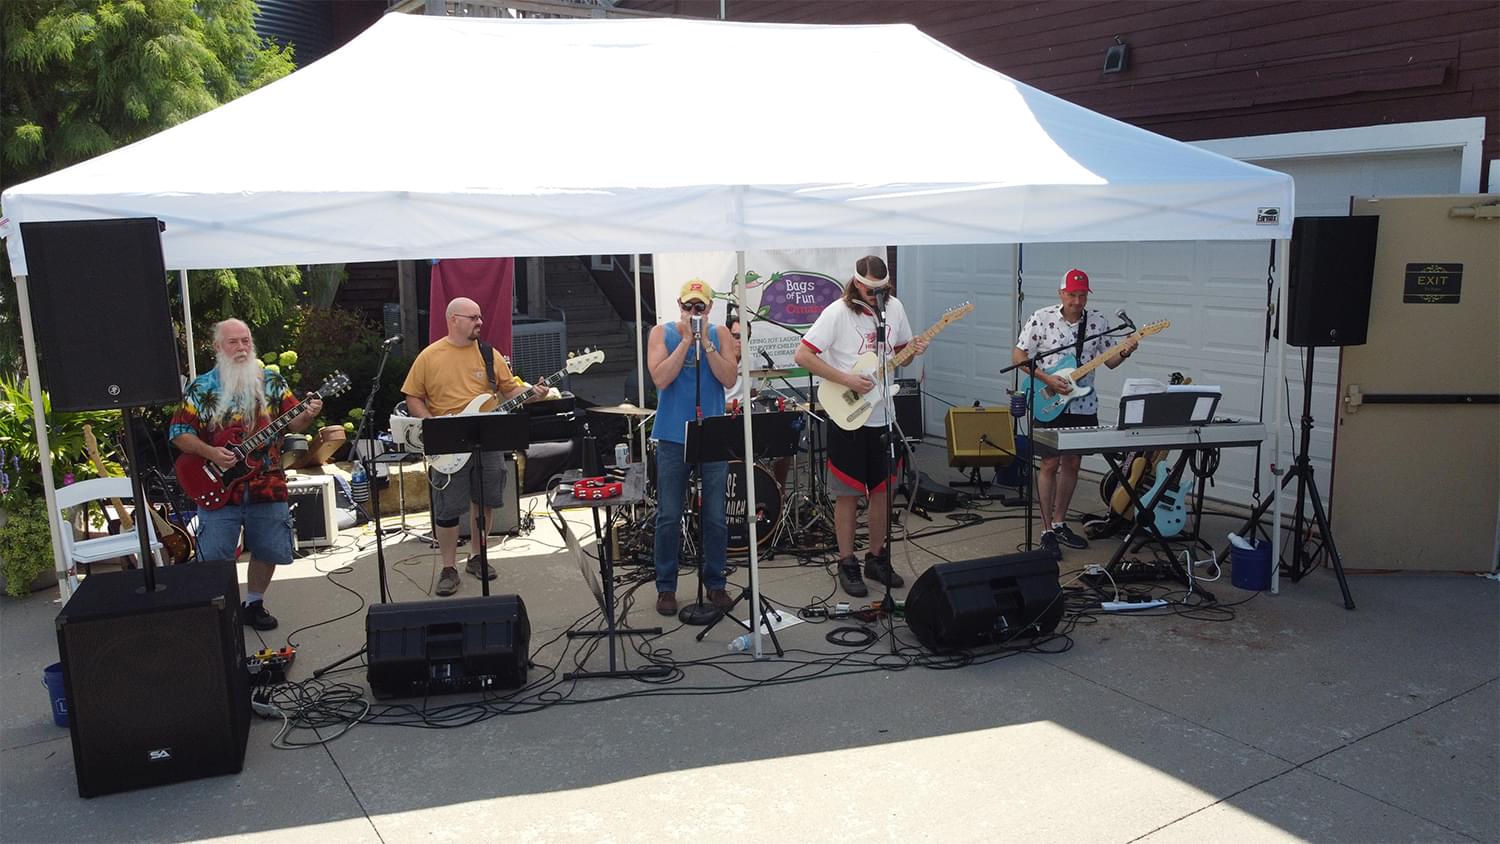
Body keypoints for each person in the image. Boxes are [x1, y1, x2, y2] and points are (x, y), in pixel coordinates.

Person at [170, 319, 322, 631]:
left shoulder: (272, 381)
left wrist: (307, 414)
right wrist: (211, 453)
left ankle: (254, 603)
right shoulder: (201, 388)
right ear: (217, 347)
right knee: (215, 554)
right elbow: (178, 433)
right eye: (233, 342)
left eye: (245, 341)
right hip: (218, 485)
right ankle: (219, 611)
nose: (241, 348)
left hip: (267, 482)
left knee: (269, 548)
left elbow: (294, 424)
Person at [794, 255, 928, 598]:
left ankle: (877, 557)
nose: (875, 295)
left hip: (884, 413)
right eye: (869, 289)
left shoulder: (894, 309)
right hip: (849, 415)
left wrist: (914, 351)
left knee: (884, 490)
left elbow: (901, 354)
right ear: (856, 282)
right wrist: (845, 378)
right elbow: (803, 355)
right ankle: (847, 560)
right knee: (849, 492)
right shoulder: (838, 313)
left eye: (880, 290)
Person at [402, 297, 535, 597]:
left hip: (487, 437)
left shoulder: (489, 353)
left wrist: (533, 392)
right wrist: (432, 427)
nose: (479, 322)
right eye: (473, 317)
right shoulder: (429, 356)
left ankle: (477, 556)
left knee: (485, 499)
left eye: (480, 316)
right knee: (448, 507)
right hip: (448, 441)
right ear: (453, 320)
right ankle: (448, 568)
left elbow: (510, 390)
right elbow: (413, 397)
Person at [1012, 268, 1138, 556]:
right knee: (1048, 464)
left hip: (1083, 403)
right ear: (1061, 293)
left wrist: (1128, 349)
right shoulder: (1041, 318)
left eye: (1082, 295)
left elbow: (1111, 361)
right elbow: (1018, 356)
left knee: (1072, 463)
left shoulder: (1097, 322)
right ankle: (1045, 531)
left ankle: (1059, 523)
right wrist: (1047, 379)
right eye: (1072, 294)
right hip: (1049, 399)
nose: (1077, 301)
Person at [647, 279, 740, 616]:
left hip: (712, 432)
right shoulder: (661, 333)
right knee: (669, 514)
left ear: (710, 308)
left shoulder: (721, 334)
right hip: (673, 434)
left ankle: (715, 582)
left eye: (699, 306)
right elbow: (660, 378)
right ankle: (666, 587)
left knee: (715, 515)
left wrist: (708, 344)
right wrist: (687, 340)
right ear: (679, 305)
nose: (693, 312)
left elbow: (729, 379)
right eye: (689, 306)